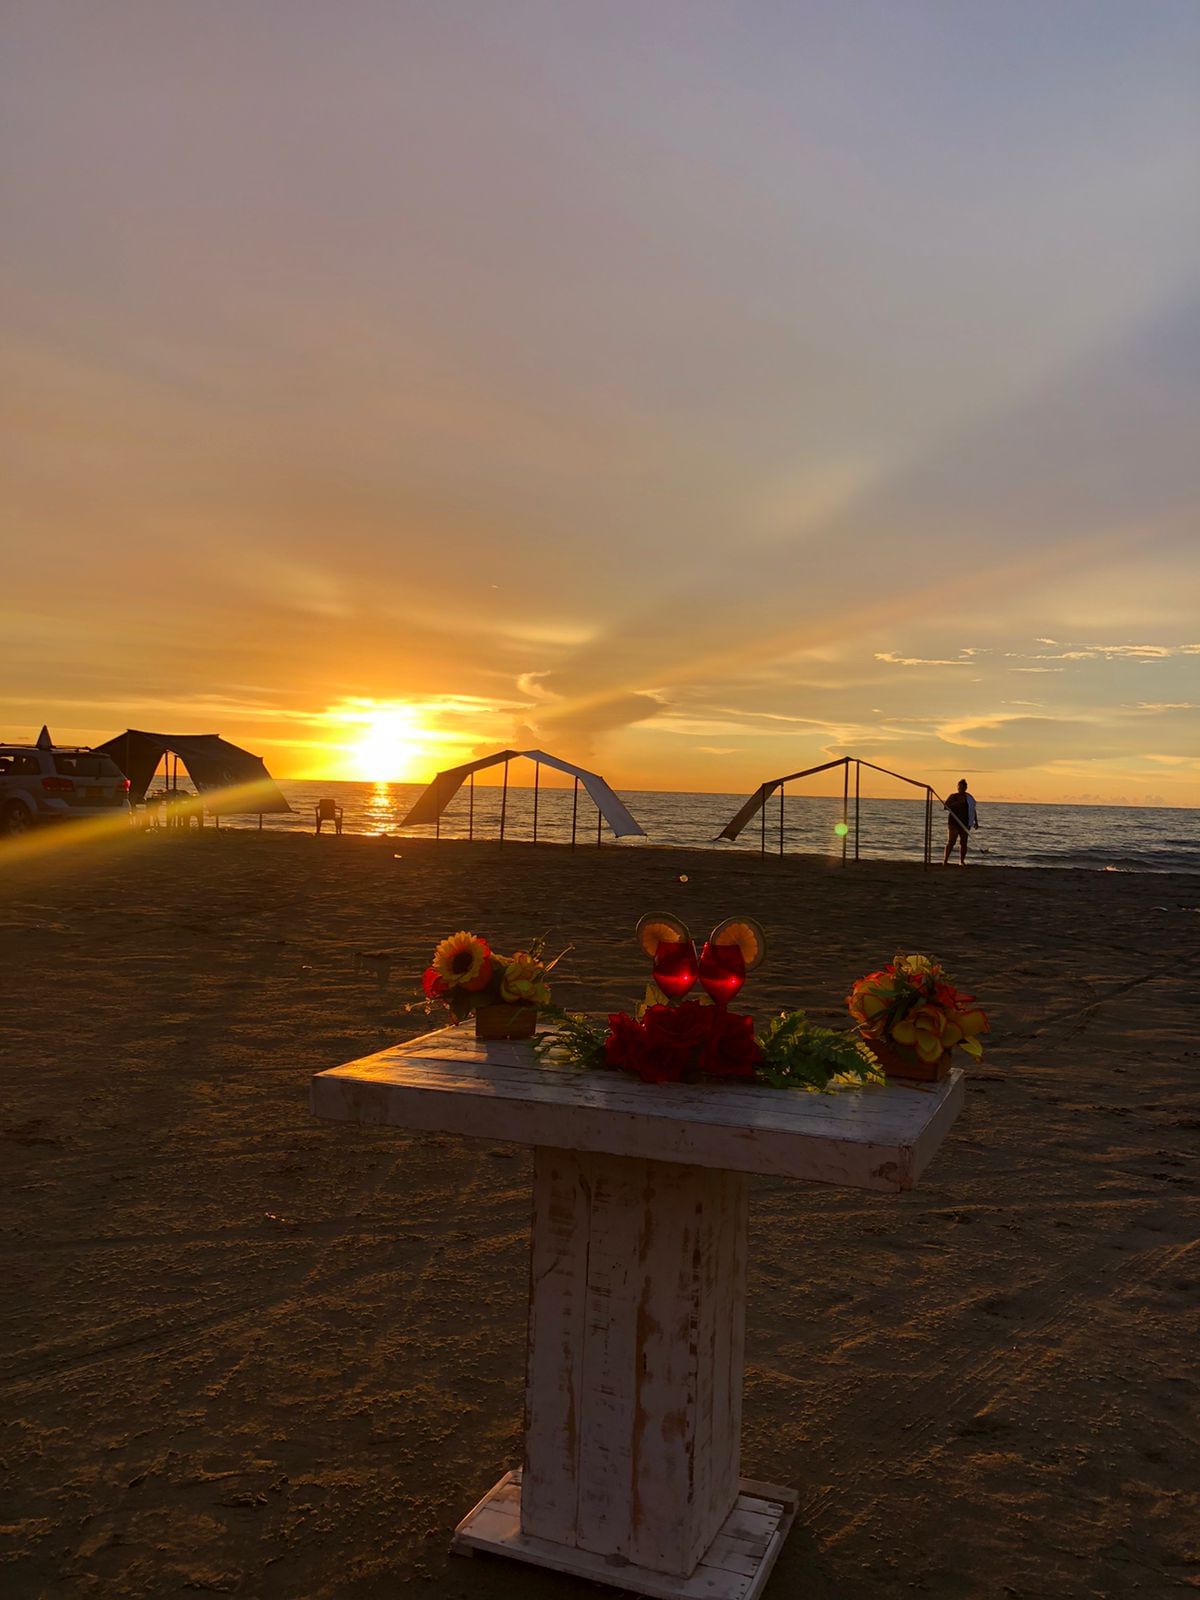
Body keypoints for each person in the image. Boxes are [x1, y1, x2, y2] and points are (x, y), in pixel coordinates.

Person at [943, 778, 978, 865]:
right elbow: (945, 807)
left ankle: (961, 861)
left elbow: (973, 810)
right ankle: (945, 860)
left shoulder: (969, 798)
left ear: (966, 788)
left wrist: (976, 822)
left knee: (964, 842)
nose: (961, 789)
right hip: (953, 822)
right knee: (951, 842)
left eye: (963, 787)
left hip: (965, 823)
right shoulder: (953, 796)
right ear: (958, 787)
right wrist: (956, 804)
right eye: (959, 787)